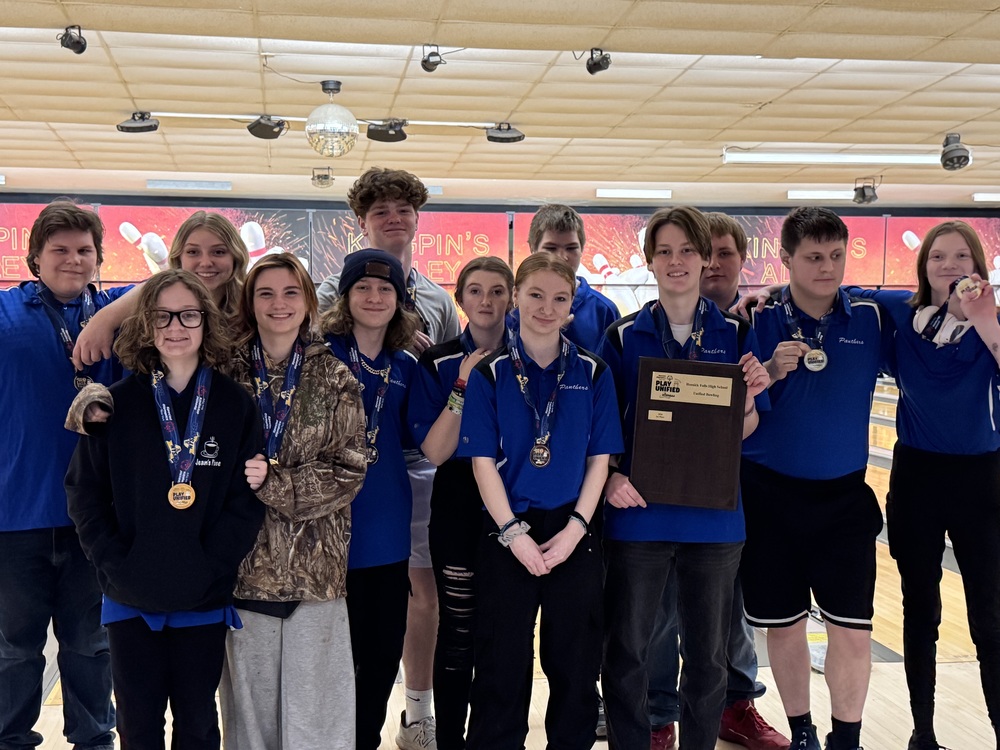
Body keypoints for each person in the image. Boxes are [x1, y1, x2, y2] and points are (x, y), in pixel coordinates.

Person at [63, 268, 266, 750]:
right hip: (129, 597)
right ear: (147, 325)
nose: (176, 327)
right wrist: (116, 566)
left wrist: (211, 566)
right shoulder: (112, 404)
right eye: (163, 316)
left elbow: (247, 498)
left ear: (206, 323)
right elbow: (84, 494)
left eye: (189, 315)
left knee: (198, 723)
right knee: (137, 725)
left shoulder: (235, 404)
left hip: (203, 596)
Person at [597, 205, 769, 750]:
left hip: (715, 520)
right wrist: (609, 481)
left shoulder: (736, 332)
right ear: (649, 261)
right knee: (629, 652)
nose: (677, 262)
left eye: (687, 251)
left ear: (704, 260)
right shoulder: (624, 337)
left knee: (708, 657)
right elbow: (603, 428)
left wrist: (753, 397)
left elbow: (743, 429)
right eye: (665, 251)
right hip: (639, 518)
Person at [318, 167, 461, 750]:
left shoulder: (437, 303)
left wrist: (451, 384)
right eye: (381, 211)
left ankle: (415, 711)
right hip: (332, 483)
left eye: (404, 210)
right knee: (331, 623)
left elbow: (451, 371)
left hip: (410, 465)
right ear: (362, 221)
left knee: (411, 599)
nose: (394, 219)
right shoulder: (326, 301)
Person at [845, 221, 1000, 750]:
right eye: (939, 257)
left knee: (990, 615)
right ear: (924, 266)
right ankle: (923, 733)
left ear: (977, 264)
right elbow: (845, 292)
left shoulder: (993, 325)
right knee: (920, 612)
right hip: (917, 478)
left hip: (982, 481)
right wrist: (771, 295)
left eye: (961, 256)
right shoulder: (901, 315)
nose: (950, 266)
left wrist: (987, 322)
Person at [457, 251, 622, 750]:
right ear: (516, 300)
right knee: (500, 662)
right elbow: (481, 460)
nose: (546, 308)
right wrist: (512, 535)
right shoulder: (491, 372)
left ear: (572, 306)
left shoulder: (593, 373)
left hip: (574, 532)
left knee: (574, 663)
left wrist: (575, 529)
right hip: (507, 531)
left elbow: (601, 459)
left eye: (559, 298)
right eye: (535, 295)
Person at [739, 207, 889, 750]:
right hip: (769, 495)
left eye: (835, 256)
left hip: (843, 499)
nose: (827, 268)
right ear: (786, 259)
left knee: (853, 628)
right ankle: (801, 730)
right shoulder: (753, 321)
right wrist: (772, 370)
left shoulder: (873, 315)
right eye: (812, 258)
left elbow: (932, 309)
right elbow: (734, 407)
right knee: (783, 625)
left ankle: (846, 738)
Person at [645, 212, 788, 750]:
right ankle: (660, 714)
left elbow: (756, 417)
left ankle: (736, 704)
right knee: (659, 615)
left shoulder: (746, 330)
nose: (713, 265)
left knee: (729, 616)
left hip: (729, 499)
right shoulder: (641, 328)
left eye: (726, 254)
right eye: (668, 252)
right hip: (658, 503)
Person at [221, 253, 368, 750]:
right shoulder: (222, 372)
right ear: (250, 302)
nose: (278, 304)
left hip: (316, 573)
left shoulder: (336, 378)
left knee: (317, 724)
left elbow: (350, 469)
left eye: (290, 293)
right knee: (249, 724)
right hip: (243, 569)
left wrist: (275, 485)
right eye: (265, 293)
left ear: (308, 302)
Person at [0, 201, 125, 750]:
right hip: (16, 513)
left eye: (85, 251)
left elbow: (172, 281)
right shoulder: (5, 315)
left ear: (99, 258)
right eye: (60, 250)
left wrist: (101, 319)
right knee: (13, 649)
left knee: (91, 646)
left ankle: (94, 741)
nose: (74, 260)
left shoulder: (121, 310)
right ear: (34, 258)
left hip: (95, 519)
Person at [408, 257, 514, 750]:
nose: (487, 301)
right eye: (476, 291)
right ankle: (449, 738)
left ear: (511, 297)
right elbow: (434, 450)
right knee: (457, 634)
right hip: (456, 512)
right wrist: (463, 386)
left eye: (497, 291)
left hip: (517, 511)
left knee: (504, 636)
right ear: (461, 299)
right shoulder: (439, 362)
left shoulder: (534, 357)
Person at [322, 249, 421, 750]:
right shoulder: (319, 354)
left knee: (380, 659)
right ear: (345, 296)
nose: (375, 297)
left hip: (385, 537)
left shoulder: (406, 365)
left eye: (386, 290)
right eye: (363, 288)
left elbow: (427, 440)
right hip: (323, 537)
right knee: (327, 662)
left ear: (400, 300)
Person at [72, 211, 250, 368]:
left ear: (236, 256)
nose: (205, 262)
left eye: (218, 252)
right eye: (193, 252)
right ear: (178, 258)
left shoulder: (251, 306)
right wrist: (103, 320)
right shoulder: (150, 309)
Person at [526, 203, 620, 349]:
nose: (562, 257)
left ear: (582, 249)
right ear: (533, 249)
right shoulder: (518, 309)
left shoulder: (603, 311)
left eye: (571, 248)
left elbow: (613, 370)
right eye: (551, 248)